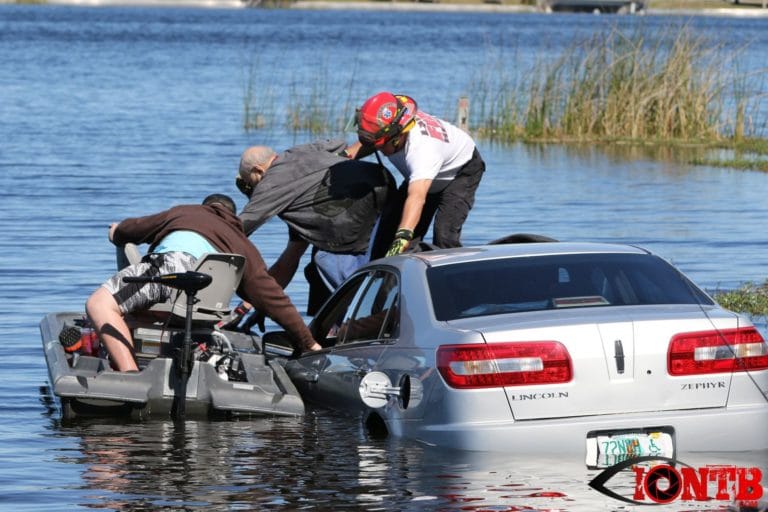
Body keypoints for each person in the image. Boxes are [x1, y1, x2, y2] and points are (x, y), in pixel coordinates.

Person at [85, 193, 321, 372]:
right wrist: (307, 342)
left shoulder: (185, 212)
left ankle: (130, 377)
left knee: (99, 306)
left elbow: (134, 228)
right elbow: (272, 298)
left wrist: (117, 232)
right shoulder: (242, 244)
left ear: (205, 207)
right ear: (234, 218)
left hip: (170, 271)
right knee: (132, 314)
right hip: (203, 304)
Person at [234, 139, 395, 317]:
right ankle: (339, 323)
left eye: (251, 184)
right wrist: (254, 306)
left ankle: (365, 318)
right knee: (368, 260)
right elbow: (287, 262)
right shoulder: (301, 154)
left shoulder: (272, 182)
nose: (254, 191)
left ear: (258, 170)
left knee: (324, 258)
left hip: (354, 209)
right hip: (383, 182)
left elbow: (237, 228)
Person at [346, 92, 486, 258]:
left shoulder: (421, 151)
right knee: (387, 231)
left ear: (396, 138)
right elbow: (362, 147)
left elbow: (417, 197)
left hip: (461, 171)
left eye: (380, 146)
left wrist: (403, 237)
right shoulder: (391, 125)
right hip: (424, 175)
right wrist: (340, 157)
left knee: (444, 237)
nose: (379, 150)